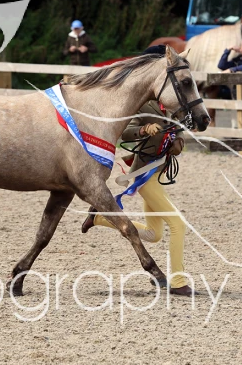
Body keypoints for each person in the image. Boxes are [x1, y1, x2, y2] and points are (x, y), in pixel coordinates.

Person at [80, 45, 192, 296]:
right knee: (178, 225)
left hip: (159, 172)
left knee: (154, 234)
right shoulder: (143, 104)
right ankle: (178, 282)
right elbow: (126, 132)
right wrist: (143, 130)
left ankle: (99, 218)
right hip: (144, 175)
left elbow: (177, 130)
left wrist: (178, 142)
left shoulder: (172, 102)